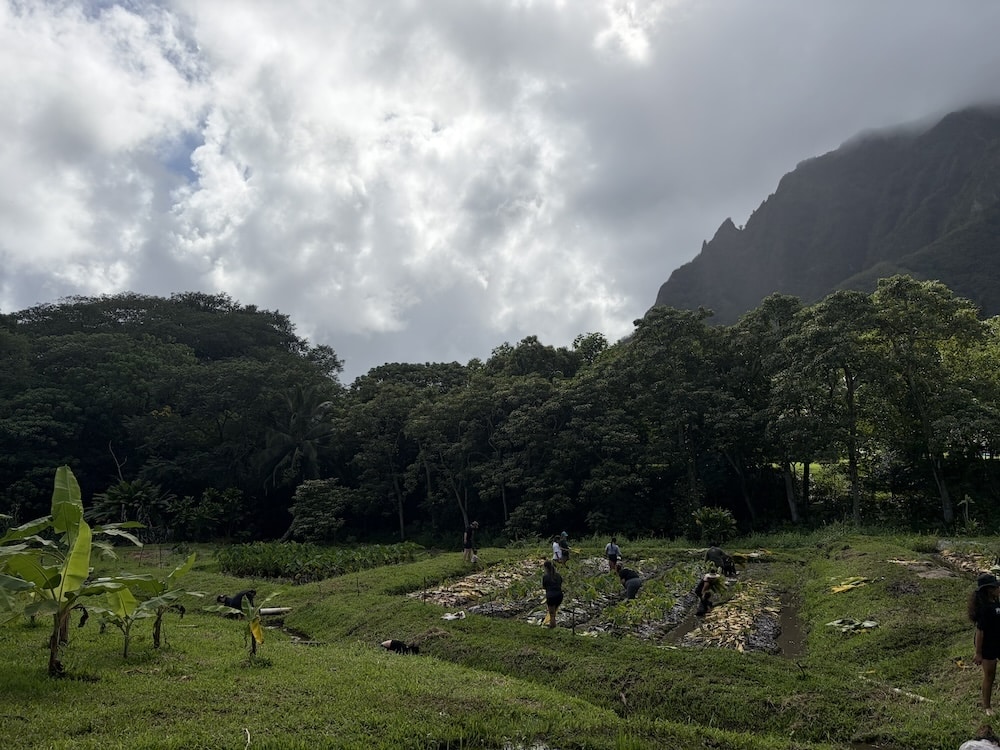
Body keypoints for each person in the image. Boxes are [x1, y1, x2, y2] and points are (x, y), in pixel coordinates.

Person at [971, 573, 1000, 715]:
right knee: (990, 676)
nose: (999, 588)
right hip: (988, 646)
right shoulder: (984, 609)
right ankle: (987, 706)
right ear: (989, 589)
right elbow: (980, 632)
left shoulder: (996, 602)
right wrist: (978, 653)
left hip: (999, 641)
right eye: (996, 586)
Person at [541, 559, 563, 628]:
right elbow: (560, 584)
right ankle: (552, 624)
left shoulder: (545, 577)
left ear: (546, 568)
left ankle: (552, 626)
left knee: (552, 613)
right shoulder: (558, 575)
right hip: (559, 595)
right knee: (554, 611)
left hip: (551, 596)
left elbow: (544, 586)